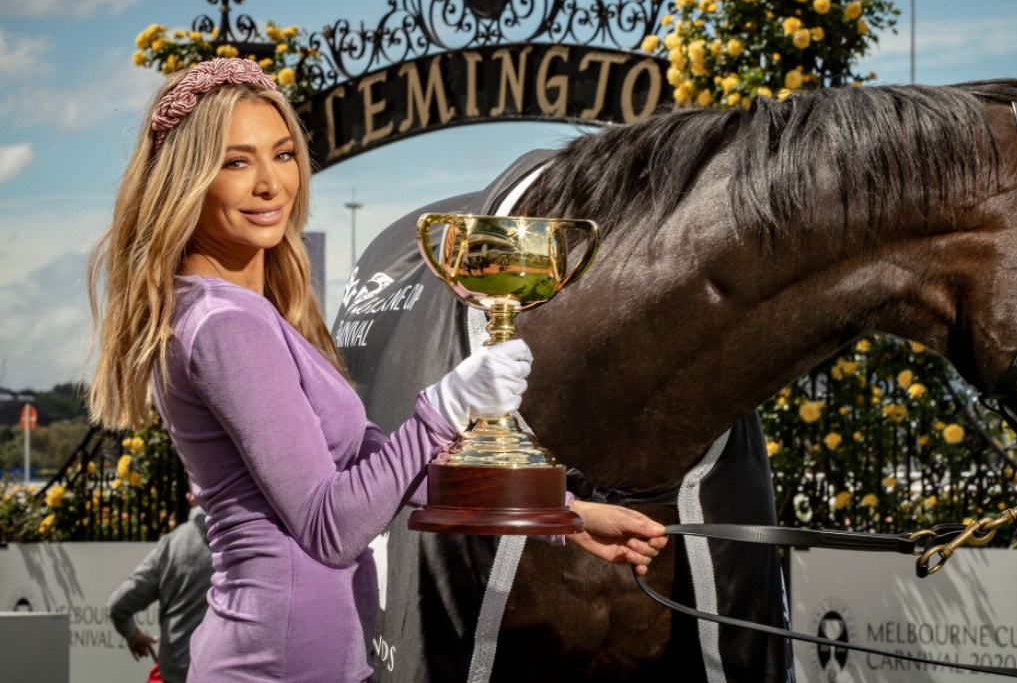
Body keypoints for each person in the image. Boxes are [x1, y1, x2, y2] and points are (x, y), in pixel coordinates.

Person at [86, 58, 666, 682]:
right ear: (188, 181)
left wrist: (563, 514)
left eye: (282, 154)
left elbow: (392, 477)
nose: (270, 184)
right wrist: (447, 406)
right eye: (236, 161)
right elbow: (332, 527)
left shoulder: (245, 314)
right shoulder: (228, 325)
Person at [108, 495, 213, 683]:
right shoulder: (260, 540)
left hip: (178, 670)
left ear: (190, 497)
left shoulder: (172, 545)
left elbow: (119, 605)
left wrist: (134, 635)